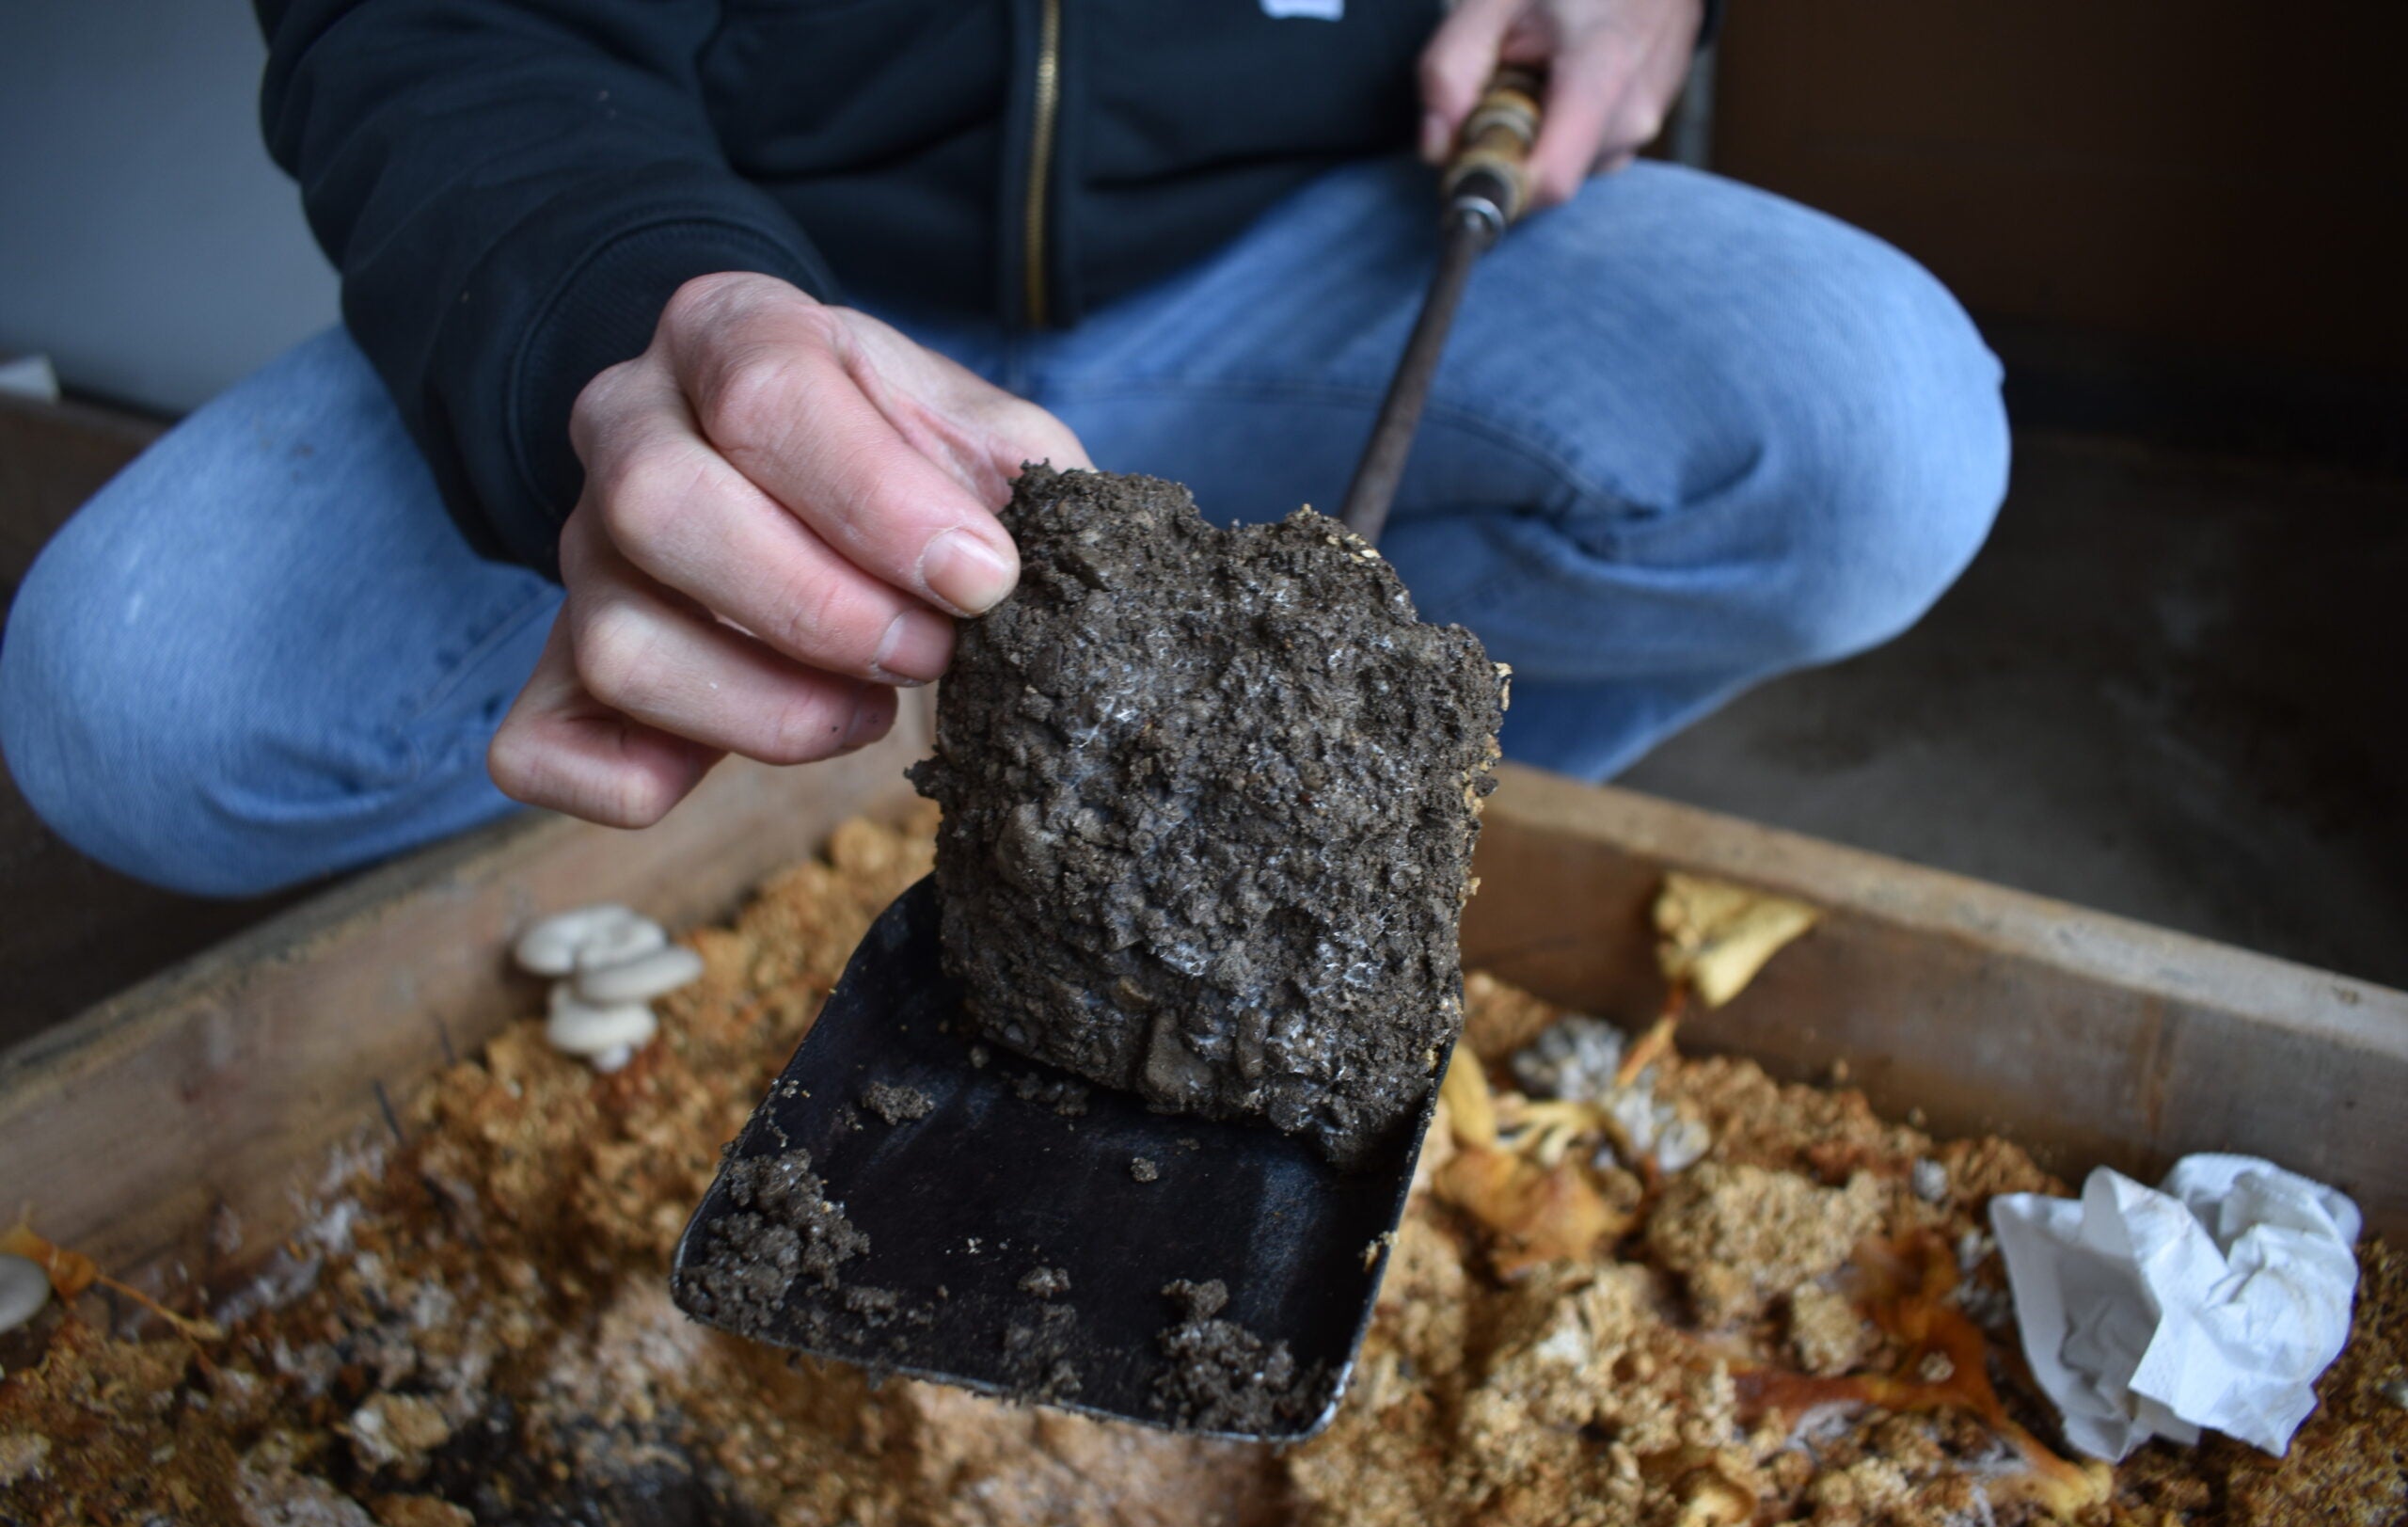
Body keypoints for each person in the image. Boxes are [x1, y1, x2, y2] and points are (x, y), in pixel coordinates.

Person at [0, 0, 2007, 899]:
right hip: (751, 259)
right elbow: (442, 18)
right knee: (133, 701)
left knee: (1873, 434)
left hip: (1300, 240)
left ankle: (1293, 853)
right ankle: (872, 774)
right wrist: (632, 326)